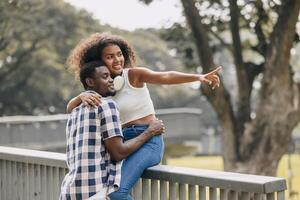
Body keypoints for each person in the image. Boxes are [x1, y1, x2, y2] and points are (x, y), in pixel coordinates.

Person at [66, 32, 221, 200]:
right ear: (99, 60)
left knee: (116, 193)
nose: (117, 60)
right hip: (122, 145)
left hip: (149, 140)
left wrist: (198, 77)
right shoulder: (102, 87)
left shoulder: (133, 75)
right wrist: (80, 97)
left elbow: (165, 76)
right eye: (110, 57)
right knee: (104, 191)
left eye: (119, 54)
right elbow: (70, 109)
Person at [60, 61, 164, 200]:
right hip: (94, 192)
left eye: (110, 76)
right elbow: (118, 153)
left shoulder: (75, 111)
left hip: (70, 191)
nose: (111, 80)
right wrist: (150, 131)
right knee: (117, 194)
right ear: (90, 81)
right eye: (105, 76)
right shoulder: (107, 106)